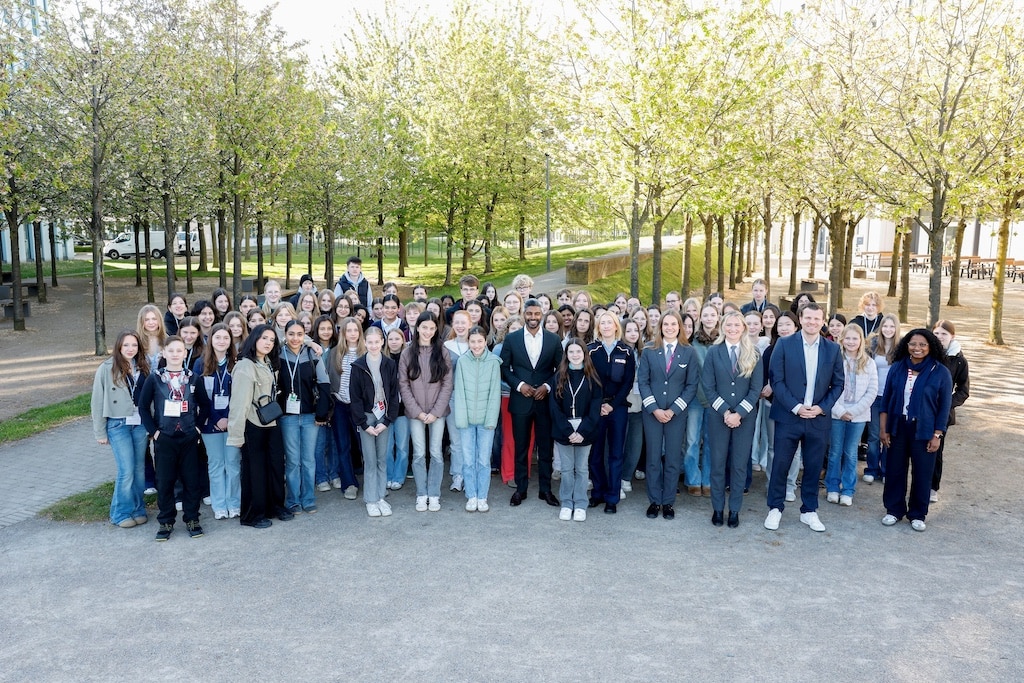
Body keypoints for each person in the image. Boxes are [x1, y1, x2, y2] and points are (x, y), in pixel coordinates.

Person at [764, 303, 844, 533]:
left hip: (818, 419)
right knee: (781, 463)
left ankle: (809, 510)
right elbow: (776, 380)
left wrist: (821, 408)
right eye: (807, 318)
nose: (812, 322)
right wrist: (797, 407)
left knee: (813, 466)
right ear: (800, 318)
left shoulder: (832, 349)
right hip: (789, 416)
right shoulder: (784, 344)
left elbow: (838, 384)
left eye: (816, 319)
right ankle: (775, 508)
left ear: (822, 321)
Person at [880, 329, 952, 532]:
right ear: (906, 345)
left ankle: (918, 514)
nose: (917, 348)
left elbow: (944, 406)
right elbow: (886, 400)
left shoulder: (940, 372)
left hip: (925, 430)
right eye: (913, 344)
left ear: (931, 347)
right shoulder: (898, 368)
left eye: (922, 345)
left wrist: (937, 434)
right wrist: (883, 429)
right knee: (894, 470)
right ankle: (893, 510)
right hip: (898, 427)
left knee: (922, 473)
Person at [702, 311, 763, 529]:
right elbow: (708, 387)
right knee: (717, 464)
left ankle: (734, 509)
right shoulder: (713, 352)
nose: (733, 329)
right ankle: (718, 509)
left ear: (744, 328)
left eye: (737, 325)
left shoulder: (753, 352)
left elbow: (756, 389)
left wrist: (739, 414)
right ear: (723, 326)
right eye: (729, 325)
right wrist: (727, 413)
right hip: (719, 417)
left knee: (739, 465)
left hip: (744, 419)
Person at [138, 336, 203, 541]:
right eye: (171, 350)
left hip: (188, 437)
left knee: (191, 480)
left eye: (179, 350)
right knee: (164, 481)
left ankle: (192, 518)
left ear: (185, 353)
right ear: (164, 353)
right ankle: (166, 521)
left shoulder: (193, 377)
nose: (175, 354)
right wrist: (154, 432)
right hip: (164, 437)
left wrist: (198, 428)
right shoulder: (155, 378)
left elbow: (205, 406)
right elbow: (143, 407)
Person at [500, 299, 563, 507]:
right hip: (521, 401)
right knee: (521, 447)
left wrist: (547, 386)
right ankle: (521, 489)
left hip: (545, 402)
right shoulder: (512, 339)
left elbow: (560, 370)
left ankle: (545, 490)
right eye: (529, 314)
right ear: (524, 314)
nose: (533, 318)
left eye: (537, 314)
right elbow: (504, 368)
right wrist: (519, 386)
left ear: (542, 314)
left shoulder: (554, 340)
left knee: (545, 448)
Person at [637, 310, 700, 520]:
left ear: (680, 327)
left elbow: (691, 385)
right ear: (660, 327)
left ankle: (668, 502)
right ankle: (655, 501)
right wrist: (654, 408)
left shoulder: (688, 352)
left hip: (677, 414)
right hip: (652, 413)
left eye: (674, 324)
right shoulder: (649, 350)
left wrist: (673, 410)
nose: (670, 328)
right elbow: (643, 382)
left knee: (673, 458)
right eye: (666, 324)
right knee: (653, 458)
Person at [228, 324, 289, 529]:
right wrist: (236, 436)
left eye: (272, 340)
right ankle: (252, 514)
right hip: (253, 424)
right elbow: (239, 403)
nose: (268, 343)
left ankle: (274, 507)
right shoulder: (246, 366)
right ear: (254, 339)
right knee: (255, 471)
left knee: (275, 466)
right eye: (264, 338)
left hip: (271, 422)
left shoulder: (268, 363)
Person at [91, 330, 151, 529]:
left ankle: (138, 509)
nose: (130, 349)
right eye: (126, 345)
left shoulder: (143, 366)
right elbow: (97, 402)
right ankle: (120, 512)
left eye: (134, 345)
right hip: (118, 423)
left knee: (139, 469)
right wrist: (100, 432)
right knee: (126, 470)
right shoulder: (106, 368)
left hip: (140, 423)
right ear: (118, 346)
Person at [399, 311, 453, 512]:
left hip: (437, 412)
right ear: (417, 327)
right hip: (416, 413)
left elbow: (447, 384)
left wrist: (436, 412)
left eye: (432, 328)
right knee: (419, 453)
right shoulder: (407, 353)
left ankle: (434, 493)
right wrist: (418, 412)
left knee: (436, 453)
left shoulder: (442, 352)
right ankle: (422, 493)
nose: (428, 331)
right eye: (424, 327)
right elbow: (403, 385)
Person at [278, 320, 331, 515]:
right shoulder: (277, 355)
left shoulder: (312, 354)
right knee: (292, 460)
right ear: (285, 334)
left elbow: (325, 384)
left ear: (304, 335)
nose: (295, 338)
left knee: (309, 460)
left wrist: (321, 413)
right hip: (287, 417)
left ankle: (308, 498)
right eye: (291, 334)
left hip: (310, 416)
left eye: (300, 334)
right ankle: (293, 500)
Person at [586, 312, 635, 514]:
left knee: (616, 454)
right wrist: (598, 405)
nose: (606, 326)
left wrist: (612, 405)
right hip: (595, 408)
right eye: (602, 322)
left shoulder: (626, 351)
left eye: (610, 322)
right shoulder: (590, 350)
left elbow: (628, 382)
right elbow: (587, 380)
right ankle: (598, 492)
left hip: (618, 409)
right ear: (598, 327)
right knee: (595, 454)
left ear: (616, 326)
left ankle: (612, 497)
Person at [550, 338, 603, 522]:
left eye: (578, 352)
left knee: (581, 469)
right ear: (566, 355)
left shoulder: (593, 378)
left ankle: (580, 504)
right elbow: (554, 408)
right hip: (564, 430)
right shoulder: (559, 376)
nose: (575, 355)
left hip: (585, 431)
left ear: (584, 354)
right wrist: (568, 431)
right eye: (571, 352)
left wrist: (582, 431)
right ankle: (566, 502)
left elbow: (595, 408)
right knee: (566, 469)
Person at [349, 326, 400, 517]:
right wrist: (363, 424)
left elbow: (394, 394)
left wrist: (387, 420)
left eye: (376, 342)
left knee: (382, 459)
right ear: (365, 343)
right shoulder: (358, 366)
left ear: (382, 342)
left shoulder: (389, 364)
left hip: (383, 417)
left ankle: (380, 497)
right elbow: (354, 398)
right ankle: (370, 499)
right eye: (369, 342)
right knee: (369, 460)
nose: (373, 345)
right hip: (366, 417)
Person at [193, 323, 241, 521]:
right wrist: (215, 418)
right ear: (210, 339)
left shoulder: (237, 362)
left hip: (233, 422)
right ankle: (219, 505)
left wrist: (229, 418)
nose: (222, 341)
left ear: (231, 341)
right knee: (215, 464)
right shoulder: (200, 364)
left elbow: (240, 394)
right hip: (208, 423)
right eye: (218, 337)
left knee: (233, 463)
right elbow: (199, 397)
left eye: (226, 338)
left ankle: (234, 503)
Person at [826, 324, 877, 507]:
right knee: (835, 452)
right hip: (836, 413)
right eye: (847, 338)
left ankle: (848, 489)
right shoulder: (835, 359)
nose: (851, 342)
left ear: (861, 341)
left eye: (855, 338)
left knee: (850, 453)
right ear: (842, 340)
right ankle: (832, 487)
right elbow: (827, 387)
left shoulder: (868, 363)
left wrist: (853, 412)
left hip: (859, 416)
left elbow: (872, 391)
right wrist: (840, 411)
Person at [452, 325, 502, 512]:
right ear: (469, 342)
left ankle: (482, 496)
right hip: (466, 420)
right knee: (468, 459)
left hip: (485, 421)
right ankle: (471, 495)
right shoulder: (463, 361)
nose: (476, 345)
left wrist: (491, 420)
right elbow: (460, 393)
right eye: (472, 341)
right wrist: (461, 420)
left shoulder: (493, 362)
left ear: (485, 341)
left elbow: (494, 393)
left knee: (483, 460)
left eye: (479, 341)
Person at [930, 320, 970, 503]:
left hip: (942, 414)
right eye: (936, 333)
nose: (939, 337)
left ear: (952, 336)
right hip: (921, 410)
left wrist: (947, 404)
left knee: (936, 451)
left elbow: (963, 389)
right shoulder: (924, 352)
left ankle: (932, 487)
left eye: (944, 334)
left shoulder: (959, 359)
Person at [327, 318, 366, 501]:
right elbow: (327, 378)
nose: (352, 333)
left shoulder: (366, 353)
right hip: (340, 405)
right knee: (343, 445)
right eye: (348, 330)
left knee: (364, 445)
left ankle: (372, 481)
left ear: (360, 332)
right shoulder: (335, 353)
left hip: (361, 407)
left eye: (355, 330)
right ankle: (349, 483)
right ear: (343, 333)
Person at [864, 313, 900, 484]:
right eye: (885, 326)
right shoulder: (872, 344)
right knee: (873, 435)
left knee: (888, 435)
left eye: (892, 326)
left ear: (896, 328)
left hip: (893, 398)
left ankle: (886, 469)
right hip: (874, 396)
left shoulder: (901, 347)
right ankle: (871, 468)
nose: (888, 329)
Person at [443, 310, 472, 492]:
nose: (460, 326)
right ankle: (457, 475)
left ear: (470, 324)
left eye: (463, 322)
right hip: (452, 396)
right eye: (457, 322)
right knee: (456, 439)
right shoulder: (446, 346)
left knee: (470, 438)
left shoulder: (476, 343)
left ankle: (469, 474)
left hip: (472, 398)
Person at [620, 320, 646, 492]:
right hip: (622, 405)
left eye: (635, 330)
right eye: (628, 330)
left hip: (640, 406)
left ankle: (626, 477)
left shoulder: (644, 353)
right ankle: (617, 478)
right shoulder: (619, 352)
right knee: (619, 446)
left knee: (635, 446)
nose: (632, 333)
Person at [384, 328, 411, 491]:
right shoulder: (381, 358)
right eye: (391, 339)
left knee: (402, 446)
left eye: (397, 339)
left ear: (403, 340)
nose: (394, 342)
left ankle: (399, 476)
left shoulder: (408, 358)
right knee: (387, 447)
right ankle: (388, 475)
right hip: (385, 410)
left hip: (403, 409)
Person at [137, 304, 167, 369]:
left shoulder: (167, 339)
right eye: (147, 319)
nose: (151, 322)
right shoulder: (137, 341)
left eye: (154, 319)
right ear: (141, 322)